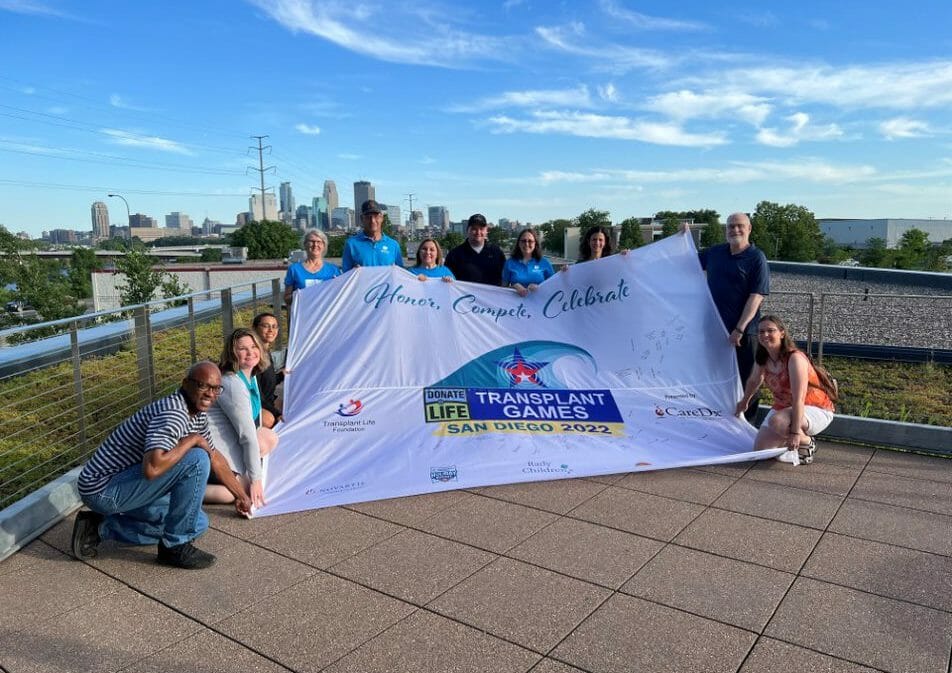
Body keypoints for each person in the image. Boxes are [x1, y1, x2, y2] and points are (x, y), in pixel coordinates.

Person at [72, 361, 250, 569]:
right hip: (102, 489)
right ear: (186, 384)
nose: (210, 394)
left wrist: (241, 495)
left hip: (127, 484)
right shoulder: (173, 413)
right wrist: (190, 441)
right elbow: (152, 469)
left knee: (197, 523)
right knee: (197, 459)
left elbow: (215, 457)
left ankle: (98, 528)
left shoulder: (197, 413)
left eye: (215, 388)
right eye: (203, 386)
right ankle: (174, 547)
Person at [698, 212, 769, 422]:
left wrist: (739, 328)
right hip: (714, 331)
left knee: (749, 379)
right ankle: (720, 421)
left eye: (739, 226)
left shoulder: (757, 258)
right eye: (730, 226)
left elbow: (756, 296)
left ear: (749, 229)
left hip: (745, 333)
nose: (735, 230)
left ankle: (747, 426)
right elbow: (683, 259)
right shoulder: (715, 253)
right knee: (717, 378)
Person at [736, 315, 837, 464]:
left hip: (814, 407)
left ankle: (807, 442)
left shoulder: (794, 358)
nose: (765, 335)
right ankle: (790, 439)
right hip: (784, 407)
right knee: (761, 451)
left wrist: (795, 433)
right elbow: (754, 380)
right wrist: (744, 402)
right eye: (761, 331)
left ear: (782, 333)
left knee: (777, 422)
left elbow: (799, 398)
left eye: (771, 330)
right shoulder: (763, 358)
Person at [205, 328, 279, 510]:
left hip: (231, 441)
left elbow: (255, 426)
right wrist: (255, 479)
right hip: (213, 452)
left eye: (254, 346)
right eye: (242, 349)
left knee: (269, 437)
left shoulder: (251, 376)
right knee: (234, 493)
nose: (250, 352)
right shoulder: (231, 383)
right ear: (232, 354)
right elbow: (247, 435)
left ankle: (244, 472)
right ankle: (179, 489)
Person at [283, 229, 341, 318]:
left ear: (324, 246)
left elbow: (341, 296)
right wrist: (298, 295)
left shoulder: (333, 270)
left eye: (319, 242)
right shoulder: (294, 269)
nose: (315, 245)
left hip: (327, 318)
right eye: (312, 241)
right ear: (305, 244)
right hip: (303, 317)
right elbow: (287, 299)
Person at [341, 199, 405, 271]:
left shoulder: (393, 245)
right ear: (362, 219)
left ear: (381, 218)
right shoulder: (351, 244)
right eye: (368, 217)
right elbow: (346, 275)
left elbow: (401, 274)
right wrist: (353, 271)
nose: (372, 221)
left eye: (376, 216)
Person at [444, 213, 505, 285]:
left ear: (486, 231)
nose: (478, 232)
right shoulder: (454, 254)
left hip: (494, 295)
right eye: (474, 229)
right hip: (466, 296)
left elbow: (506, 277)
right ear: (467, 230)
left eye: (481, 229)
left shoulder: (496, 252)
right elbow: (447, 277)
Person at [252, 312, 284, 428]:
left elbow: (266, 382)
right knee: (270, 420)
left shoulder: (266, 351)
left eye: (274, 326)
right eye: (266, 326)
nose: (271, 330)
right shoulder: (253, 356)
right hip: (256, 404)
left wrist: (281, 375)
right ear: (255, 329)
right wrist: (277, 414)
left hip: (267, 401)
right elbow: (257, 394)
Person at [503, 228, 555, 297]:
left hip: (540, 305)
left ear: (535, 243)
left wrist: (540, 287)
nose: (526, 244)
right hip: (516, 306)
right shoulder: (509, 263)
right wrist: (514, 287)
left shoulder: (544, 262)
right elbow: (502, 290)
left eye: (530, 241)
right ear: (519, 243)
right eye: (523, 241)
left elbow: (554, 286)